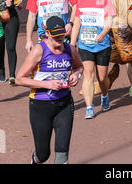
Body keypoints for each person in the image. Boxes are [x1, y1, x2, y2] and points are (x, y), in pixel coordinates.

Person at [15, 15, 83, 164]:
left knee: (62, 154)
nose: (60, 39)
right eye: (56, 36)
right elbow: (19, 78)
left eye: (62, 36)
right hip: (40, 106)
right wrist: (47, 84)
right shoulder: (39, 51)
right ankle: (35, 159)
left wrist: (76, 75)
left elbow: (79, 66)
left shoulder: (70, 49)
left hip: (64, 104)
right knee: (43, 154)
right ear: (47, 33)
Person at [71, 0, 115, 119]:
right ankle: (89, 107)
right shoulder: (81, 1)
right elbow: (77, 23)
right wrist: (72, 44)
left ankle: (104, 95)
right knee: (88, 75)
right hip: (85, 45)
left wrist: (102, 34)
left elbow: (109, 20)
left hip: (102, 45)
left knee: (102, 78)